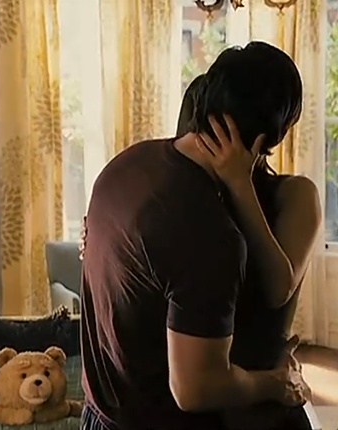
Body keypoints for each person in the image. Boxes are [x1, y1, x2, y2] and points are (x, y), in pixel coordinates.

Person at [79, 42, 318, 430]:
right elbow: (195, 389)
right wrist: (274, 384)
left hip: (101, 412)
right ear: (269, 139)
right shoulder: (209, 233)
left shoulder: (126, 164)